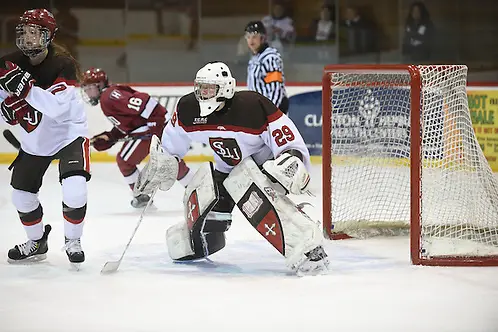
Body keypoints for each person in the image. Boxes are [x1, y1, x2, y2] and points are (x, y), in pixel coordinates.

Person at [134, 62, 329, 276]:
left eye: (209, 88)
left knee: (251, 191)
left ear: (225, 88)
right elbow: (171, 144)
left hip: (264, 169)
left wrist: (291, 160)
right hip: (226, 169)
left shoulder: (252, 106)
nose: (202, 93)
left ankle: (308, 248)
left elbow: (289, 141)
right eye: (200, 87)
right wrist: (162, 164)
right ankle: (198, 243)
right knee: (206, 204)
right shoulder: (188, 109)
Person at [0, 9, 89, 264]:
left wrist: (24, 89)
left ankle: (73, 240)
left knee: (75, 190)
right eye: (24, 32)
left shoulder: (62, 64)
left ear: (48, 35)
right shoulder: (7, 63)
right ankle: (37, 242)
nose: (28, 38)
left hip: (68, 133)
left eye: (34, 32)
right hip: (36, 139)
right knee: (21, 196)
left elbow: (56, 108)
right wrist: (5, 112)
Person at [81, 67, 191, 208]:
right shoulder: (108, 97)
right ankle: (196, 187)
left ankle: (142, 196)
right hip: (151, 128)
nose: (87, 93)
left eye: (89, 88)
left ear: (100, 85)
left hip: (150, 131)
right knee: (170, 162)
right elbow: (130, 122)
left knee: (125, 161)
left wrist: (156, 130)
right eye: (85, 89)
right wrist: (111, 136)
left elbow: (147, 103)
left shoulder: (109, 97)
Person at [244, 21, 289, 115]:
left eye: (254, 37)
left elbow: (275, 88)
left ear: (262, 38)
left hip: (271, 111)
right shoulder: (254, 58)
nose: (251, 40)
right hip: (259, 110)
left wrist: (270, 113)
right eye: (248, 37)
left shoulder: (270, 57)